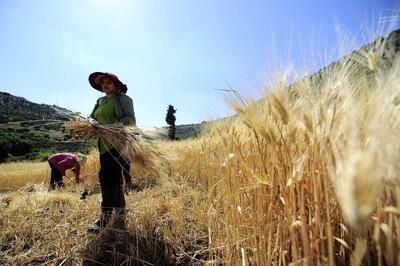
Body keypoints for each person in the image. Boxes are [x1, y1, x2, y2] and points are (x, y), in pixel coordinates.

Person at [87, 72, 136, 233]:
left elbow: (130, 120)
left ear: (115, 85)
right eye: (103, 83)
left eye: (108, 82)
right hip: (103, 145)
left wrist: (111, 128)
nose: (105, 85)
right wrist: (91, 123)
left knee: (106, 177)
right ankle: (120, 216)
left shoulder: (123, 99)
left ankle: (105, 217)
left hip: (117, 144)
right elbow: (92, 117)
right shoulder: (99, 101)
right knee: (114, 179)